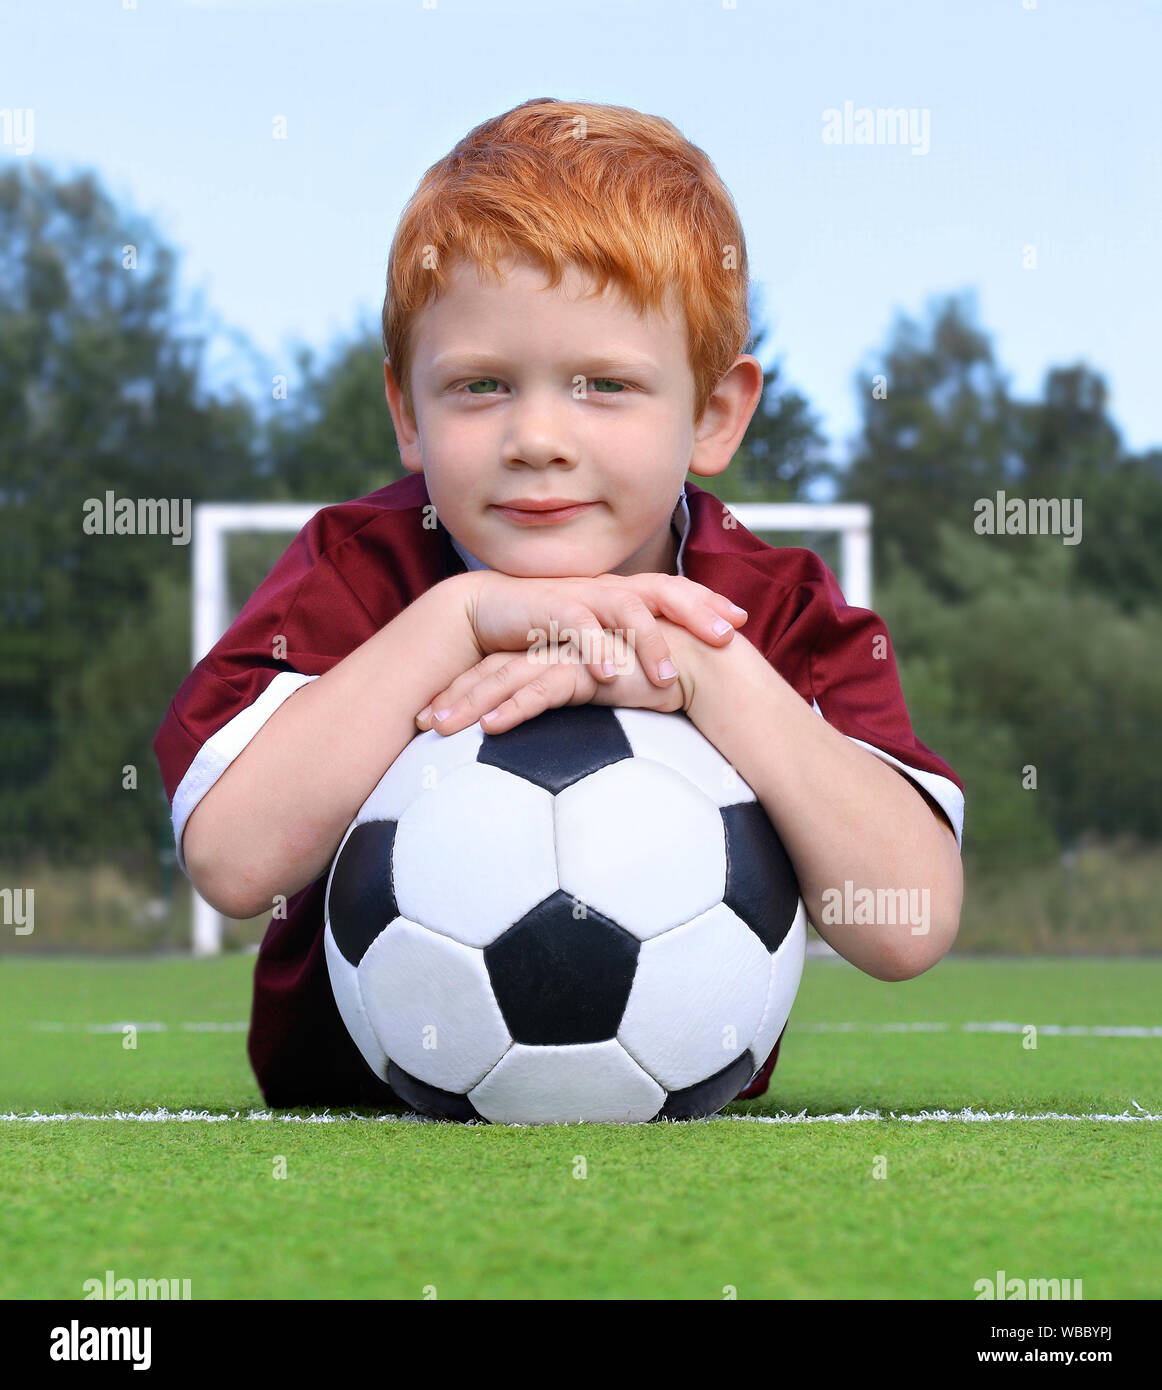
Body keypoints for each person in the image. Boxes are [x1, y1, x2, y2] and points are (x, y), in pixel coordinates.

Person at [154, 97, 965, 1111]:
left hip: (679, 1135)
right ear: (407, 410)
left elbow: (907, 924)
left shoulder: (769, 608)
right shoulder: (354, 573)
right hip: (355, 1122)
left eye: (603, 385)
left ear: (714, 413)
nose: (537, 435)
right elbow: (233, 862)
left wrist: (699, 672)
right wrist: (457, 620)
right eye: (481, 386)